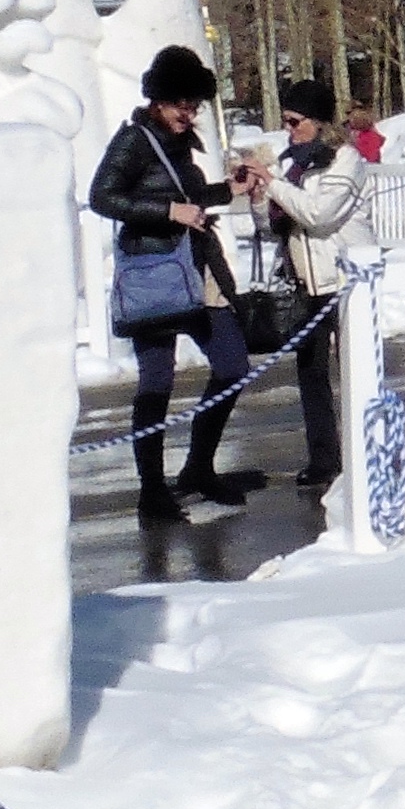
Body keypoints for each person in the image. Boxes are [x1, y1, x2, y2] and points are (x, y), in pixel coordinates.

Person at [88, 45, 261, 524]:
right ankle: (152, 490)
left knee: (232, 365)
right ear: (158, 100)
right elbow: (102, 196)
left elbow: (188, 197)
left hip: (196, 267)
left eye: (194, 106)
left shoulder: (180, 144)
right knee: (157, 382)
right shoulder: (135, 140)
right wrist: (168, 212)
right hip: (154, 274)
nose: (188, 114)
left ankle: (198, 467)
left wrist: (228, 190)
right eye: (181, 105)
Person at [238, 89, 374, 492]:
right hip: (306, 283)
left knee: (356, 372)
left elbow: (319, 214)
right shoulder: (293, 165)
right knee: (311, 373)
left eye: (295, 121)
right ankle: (323, 460)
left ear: (318, 122)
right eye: (286, 121)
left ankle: (365, 453)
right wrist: (260, 195)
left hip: (345, 280)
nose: (289, 129)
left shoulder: (346, 160)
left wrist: (274, 183)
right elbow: (272, 226)